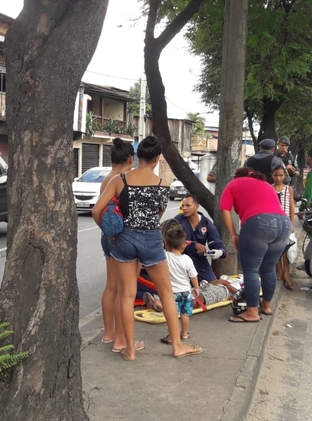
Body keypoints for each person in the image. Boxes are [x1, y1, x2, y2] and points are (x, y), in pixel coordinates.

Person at [92, 136, 203, 360]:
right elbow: (158, 216)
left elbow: (97, 211)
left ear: (138, 156)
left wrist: (112, 233)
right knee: (166, 293)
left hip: (125, 239)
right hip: (152, 239)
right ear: (157, 158)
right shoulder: (163, 184)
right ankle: (178, 346)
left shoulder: (120, 179)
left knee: (126, 294)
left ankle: (129, 349)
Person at [220, 167, 291, 323]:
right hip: (284, 224)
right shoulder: (266, 184)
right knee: (268, 268)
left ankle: (252, 312)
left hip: (259, 223)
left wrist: (233, 234)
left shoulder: (234, 184)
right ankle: (266, 306)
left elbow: (224, 209)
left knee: (251, 269)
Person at [145, 219, 239, 314]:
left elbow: (237, 292)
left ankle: (162, 305)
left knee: (199, 298)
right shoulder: (186, 258)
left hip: (222, 290)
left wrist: (225, 284)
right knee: (193, 296)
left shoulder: (167, 255)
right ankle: (164, 305)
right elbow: (195, 276)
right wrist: (202, 286)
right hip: (211, 286)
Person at [98, 138, 135, 347]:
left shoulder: (106, 179)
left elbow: (99, 211)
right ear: (130, 159)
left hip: (106, 236)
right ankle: (121, 339)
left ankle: (108, 332)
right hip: (121, 238)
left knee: (110, 286)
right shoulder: (123, 180)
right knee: (124, 290)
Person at [172, 194, 227, 282]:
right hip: (179, 258)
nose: (184, 208)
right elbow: (171, 239)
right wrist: (194, 245)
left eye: (188, 205)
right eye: (183, 206)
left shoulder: (206, 223)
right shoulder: (178, 220)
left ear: (197, 207)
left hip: (198, 259)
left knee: (212, 282)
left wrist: (218, 252)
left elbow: (217, 243)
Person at [161, 228, 199, 343]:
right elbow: (193, 275)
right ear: (183, 247)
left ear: (166, 245)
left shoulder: (166, 256)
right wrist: (196, 287)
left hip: (172, 293)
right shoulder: (187, 259)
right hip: (186, 292)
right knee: (185, 314)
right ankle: (184, 333)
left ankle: (172, 336)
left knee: (173, 315)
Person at [272, 165, 297, 291]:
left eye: (281, 175)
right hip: (273, 223)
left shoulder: (288, 190)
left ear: (285, 176)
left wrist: (292, 224)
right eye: (276, 175)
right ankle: (280, 270)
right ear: (272, 175)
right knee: (276, 249)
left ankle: (286, 272)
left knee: (286, 249)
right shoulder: (269, 189)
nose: (278, 178)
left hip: (286, 223)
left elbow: (292, 207)